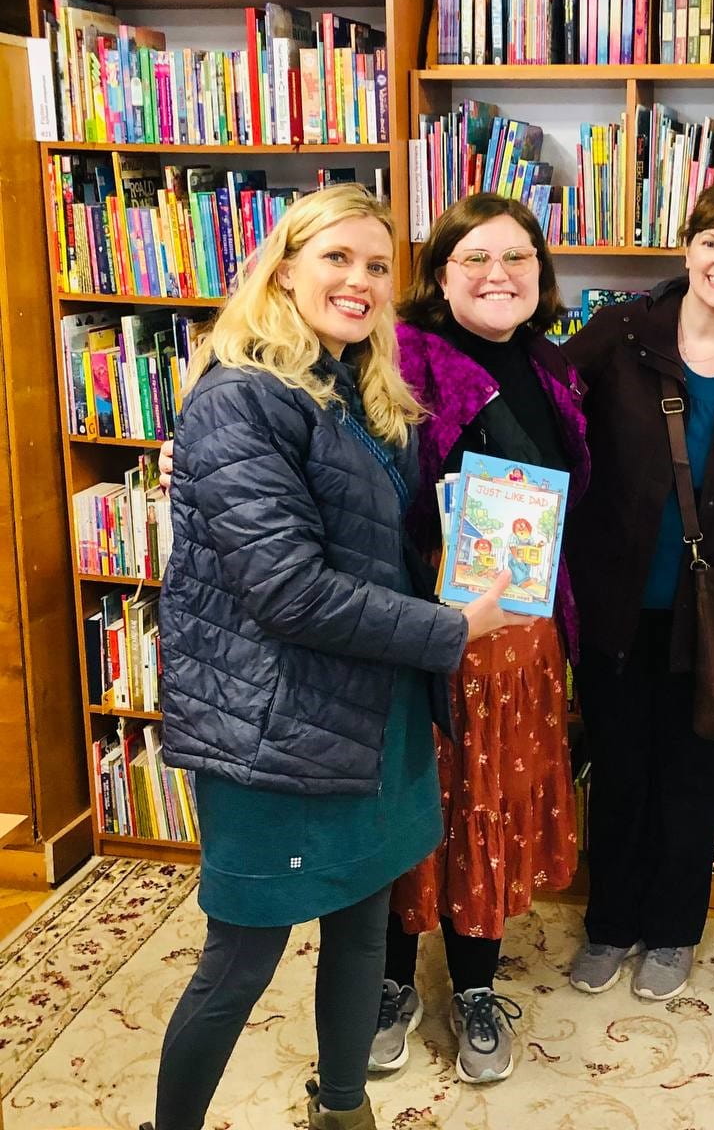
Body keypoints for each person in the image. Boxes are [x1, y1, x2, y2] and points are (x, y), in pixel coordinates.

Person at [145, 185, 527, 1130]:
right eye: (336, 259)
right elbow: (289, 592)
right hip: (277, 727)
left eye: (374, 266)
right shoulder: (242, 397)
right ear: (283, 268)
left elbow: (368, 540)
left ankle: (343, 1110)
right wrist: (452, 629)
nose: (358, 281)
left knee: (361, 929)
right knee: (239, 961)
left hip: (368, 713)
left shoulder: (351, 385)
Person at [561, 180, 714, 1001]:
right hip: (616, 604)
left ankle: (672, 931)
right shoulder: (618, 333)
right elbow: (543, 413)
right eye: (713, 241)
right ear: (686, 247)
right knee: (620, 767)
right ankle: (610, 925)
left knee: (692, 772)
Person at [379, 193, 589, 1084]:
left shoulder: (554, 367)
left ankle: (472, 988)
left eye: (517, 259)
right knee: (404, 809)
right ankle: (389, 984)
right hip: (418, 626)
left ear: (540, 277)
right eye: (475, 259)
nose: (497, 275)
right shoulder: (392, 353)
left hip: (522, 638)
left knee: (488, 808)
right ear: (441, 273)